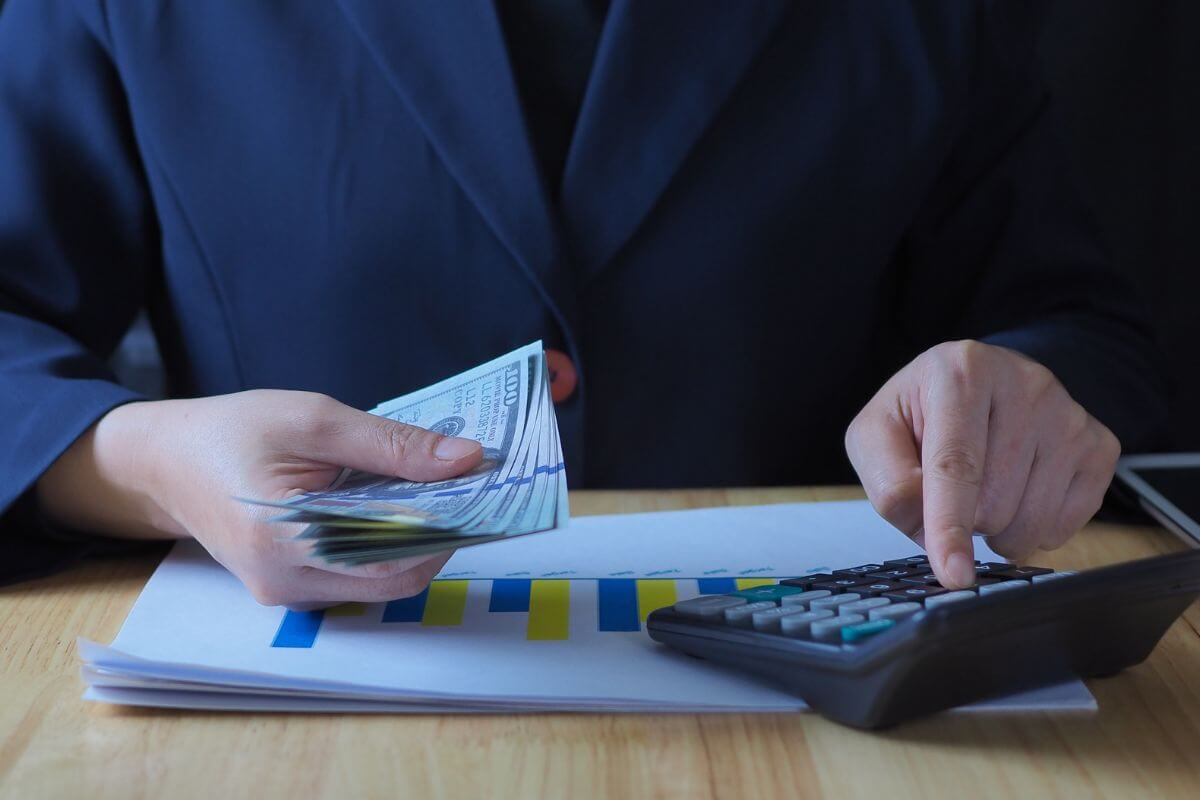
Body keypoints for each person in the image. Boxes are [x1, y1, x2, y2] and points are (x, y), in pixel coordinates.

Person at [0, 1, 1167, 605]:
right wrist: (148, 460)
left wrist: (1018, 398)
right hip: (310, 726)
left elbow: (1078, 328)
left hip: (833, 719)